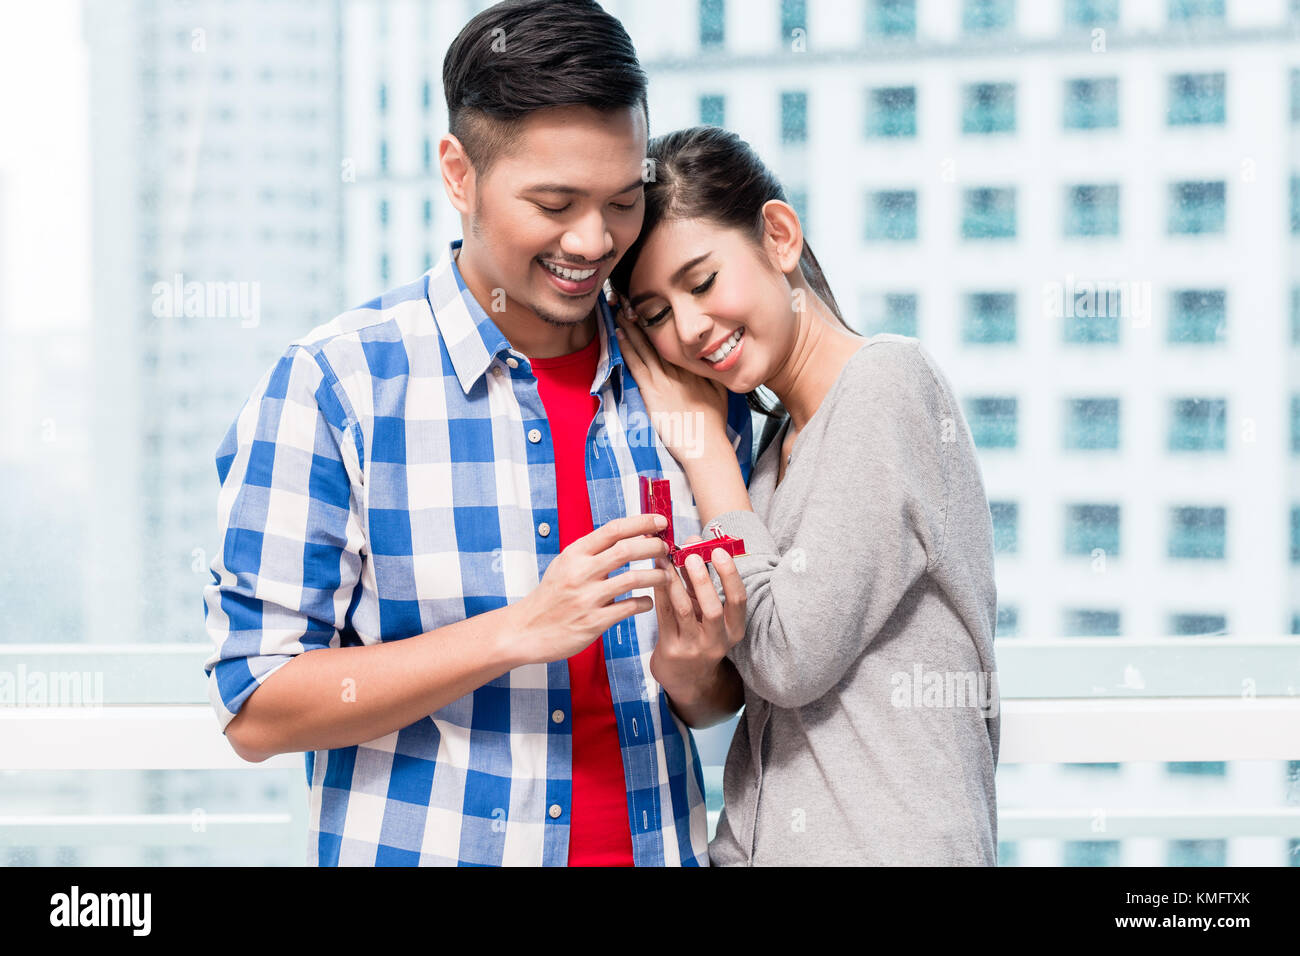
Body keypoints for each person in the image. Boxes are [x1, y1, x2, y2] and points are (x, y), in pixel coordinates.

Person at [200, 1, 753, 867]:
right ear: (458, 173)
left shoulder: (686, 382)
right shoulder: (337, 387)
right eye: (554, 202)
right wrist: (516, 631)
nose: (593, 239)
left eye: (621, 201)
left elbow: (715, 697)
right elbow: (257, 707)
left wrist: (695, 670)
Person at [607, 125, 1001, 866]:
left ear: (779, 236)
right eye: (655, 314)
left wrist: (705, 455)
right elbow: (741, 676)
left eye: (701, 282)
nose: (690, 329)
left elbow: (788, 657)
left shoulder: (888, 386)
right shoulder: (772, 451)